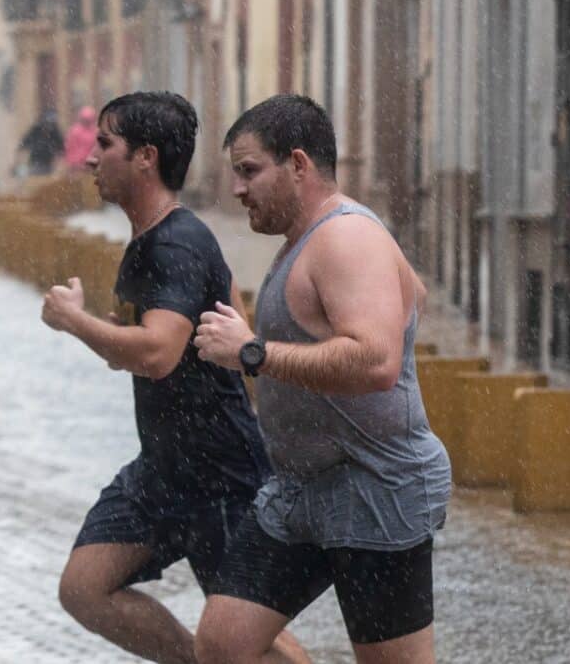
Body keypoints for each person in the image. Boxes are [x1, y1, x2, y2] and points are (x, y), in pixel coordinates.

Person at [40, 91, 308, 664]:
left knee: (248, 642)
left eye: (105, 143)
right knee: (85, 587)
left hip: (219, 476)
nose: (91, 157)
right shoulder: (150, 239)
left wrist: (75, 322)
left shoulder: (177, 242)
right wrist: (111, 331)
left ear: (146, 157)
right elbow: (159, 346)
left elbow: (159, 353)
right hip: (163, 470)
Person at [194, 94, 452, 664]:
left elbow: (377, 363)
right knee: (223, 643)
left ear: (299, 164)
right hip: (301, 494)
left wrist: (254, 353)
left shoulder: (345, 238)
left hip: (374, 490)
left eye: (249, 170)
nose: (238, 189)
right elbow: (415, 295)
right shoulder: (321, 237)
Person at [17, 109, 64, 175]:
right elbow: (24, 144)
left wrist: (58, 165)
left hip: (48, 164)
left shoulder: (55, 132)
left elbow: (61, 149)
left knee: (45, 181)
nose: (48, 127)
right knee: (36, 179)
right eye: (47, 123)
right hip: (35, 162)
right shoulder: (36, 130)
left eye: (50, 124)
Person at [64, 105, 98, 171]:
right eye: (85, 119)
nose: (87, 121)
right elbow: (69, 147)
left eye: (88, 119)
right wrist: (73, 162)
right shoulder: (75, 131)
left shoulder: (95, 131)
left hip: (89, 164)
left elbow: (96, 148)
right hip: (76, 164)